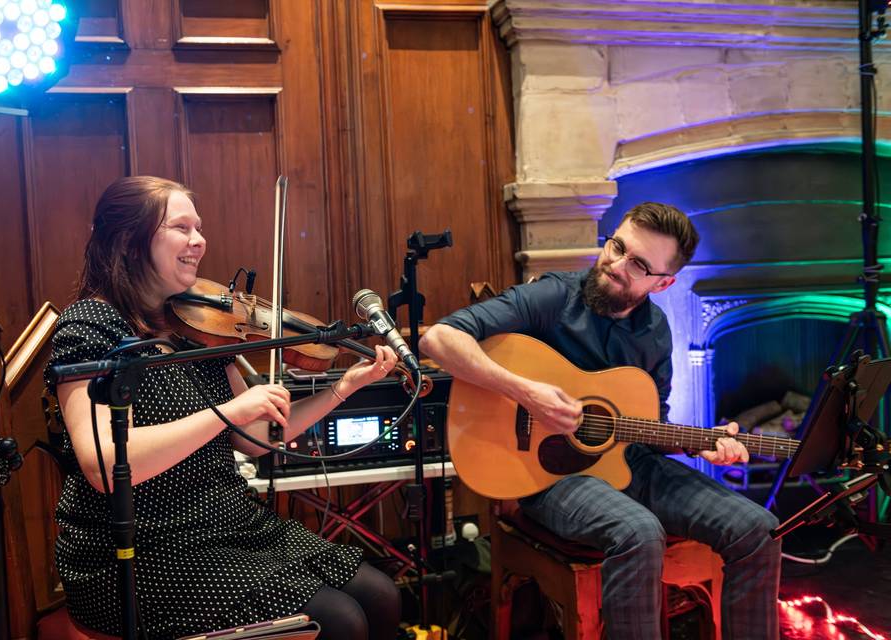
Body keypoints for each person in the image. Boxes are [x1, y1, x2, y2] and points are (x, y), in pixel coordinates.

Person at [44, 176, 401, 640]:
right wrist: (227, 412)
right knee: (340, 620)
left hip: (227, 523)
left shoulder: (196, 325)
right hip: (141, 550)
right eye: (181, 227)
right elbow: (104, 464)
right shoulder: (91, 327)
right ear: (130, 242)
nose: (199, 241)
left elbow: (258, 439)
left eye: (200, 227)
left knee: (381, 595)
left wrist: (344, 388)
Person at [419, 202, 782, 639]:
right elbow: (438, 338)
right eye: (617, 246)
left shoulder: (656, 333)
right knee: (638, 532)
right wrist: (526, 392)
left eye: (638, 265)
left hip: (629, 464)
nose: (615, 264)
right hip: (549, 476)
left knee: (758, 529)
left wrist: (698, 442)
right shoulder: (555, 298)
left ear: (664, 283)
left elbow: (651, 427)